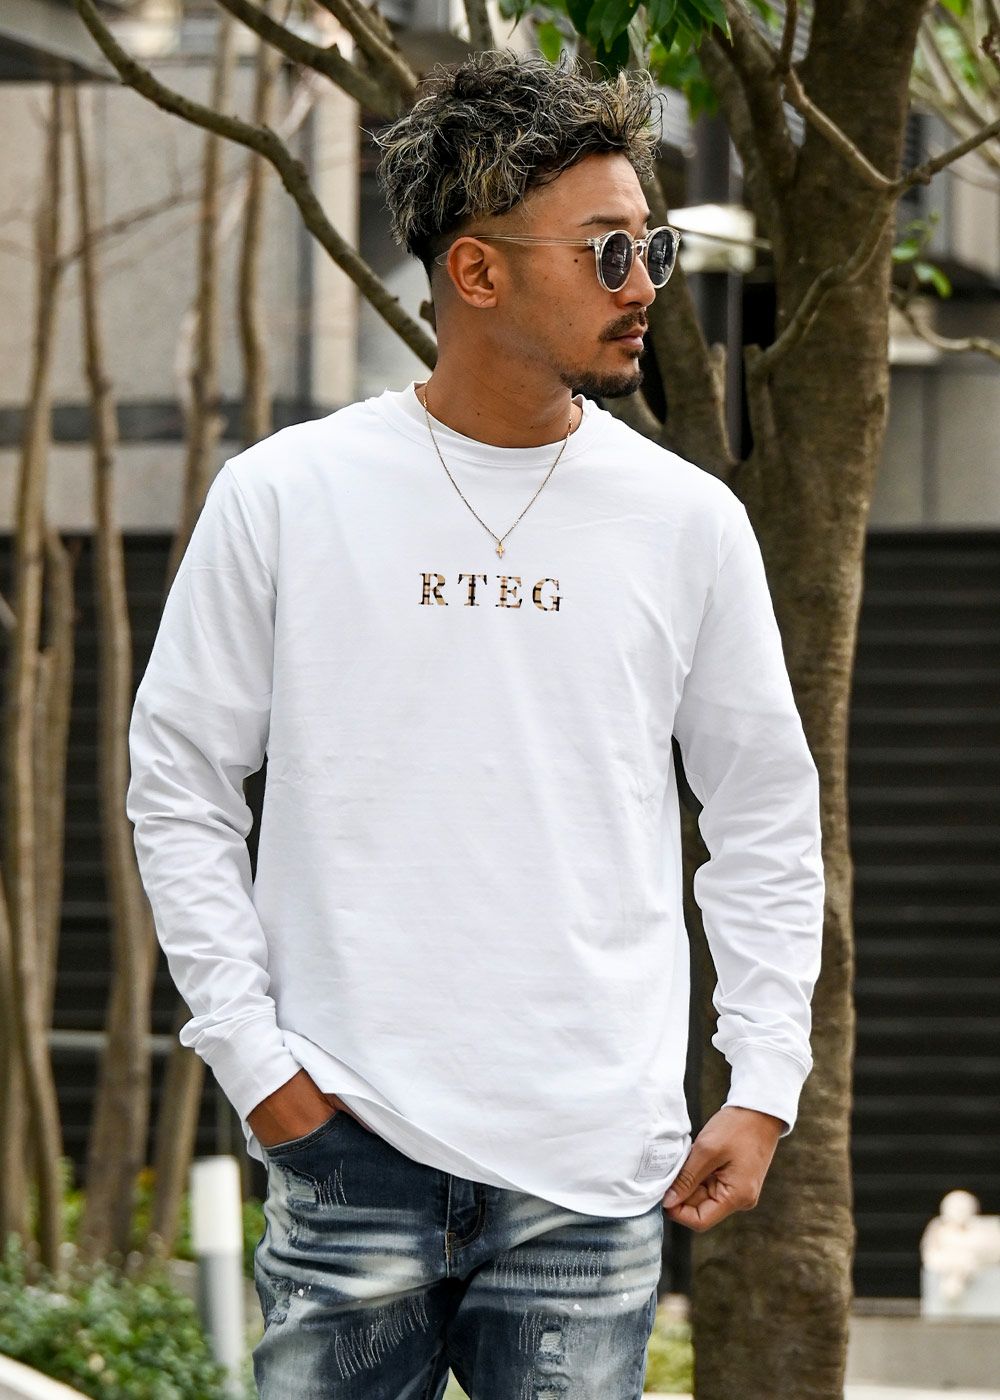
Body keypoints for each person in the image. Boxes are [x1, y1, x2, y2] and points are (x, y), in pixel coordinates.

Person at [126, 49, 825, 1400]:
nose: (644, 286)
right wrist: (257, 1064)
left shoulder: (687, 521)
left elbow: (762, 815)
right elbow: (180, 786)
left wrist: (764, 1080)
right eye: (607, 251)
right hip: (348, 1143)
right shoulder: (287, 495)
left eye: (653, 248)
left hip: (592, 1170)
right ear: (476, 272)